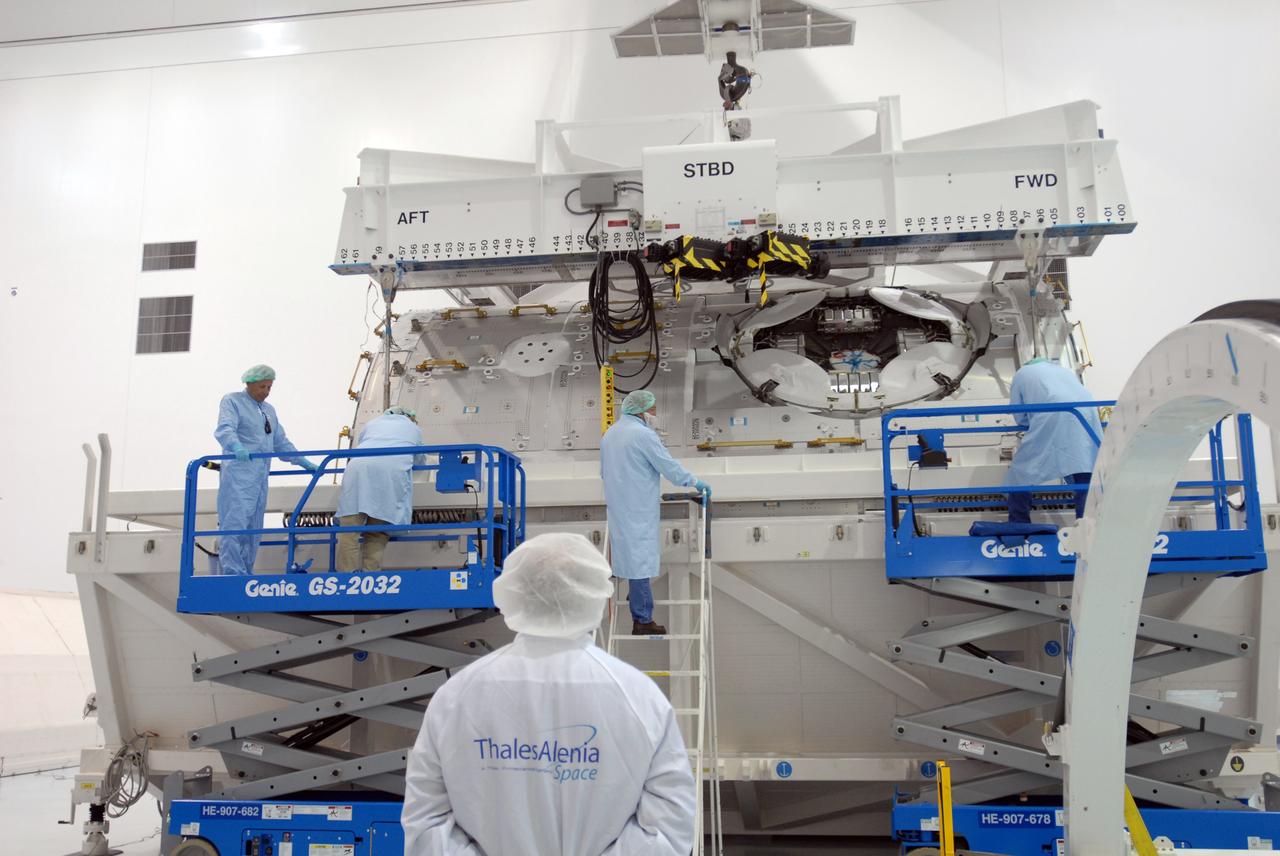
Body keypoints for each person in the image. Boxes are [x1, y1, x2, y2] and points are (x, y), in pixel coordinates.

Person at [401, 532, 697, 856]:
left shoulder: (457, 695)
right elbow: (670, 829)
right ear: (595, 595)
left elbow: (425, 823)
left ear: (513, 594)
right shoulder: (639, 698)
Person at [600, 389, 710, 635]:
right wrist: (695, 481)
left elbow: (603, 472)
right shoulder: (643, 434)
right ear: (641, 411)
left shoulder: (610, 435)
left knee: (628, 554)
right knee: (640, 559)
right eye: (653, 410)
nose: (654, 414)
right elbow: (667, 466)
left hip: (618, 505)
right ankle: (642, 619)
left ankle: (633, 597)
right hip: (638, 505)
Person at [213, 364, 316, 575]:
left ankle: (246, 571)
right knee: (235, 524)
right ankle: (233, 573)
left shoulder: (269, 410)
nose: (266, 392)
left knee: (254, 529)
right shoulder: (232, 401)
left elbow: (280, 442)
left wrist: (302, 461)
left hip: (260, 477)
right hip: (239, 474)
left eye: (269, 387)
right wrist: (236, 447)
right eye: (262, 387)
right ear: (249, 384)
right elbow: (225, 429)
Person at [1005, 358, 1103, 523]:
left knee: (1021, 471)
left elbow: (1019, 415)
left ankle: (1019, 524)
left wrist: (1030, 424)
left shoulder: (1022, 374)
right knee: (1084, 467)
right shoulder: (1065, 371)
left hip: (1054, 414)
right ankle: (1087, 523)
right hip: (1086, 414)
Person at [334, 406, 424, 572]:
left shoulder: (372, 423)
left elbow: (363, 443)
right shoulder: (413, 428)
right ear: (410, 418)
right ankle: (371, 575)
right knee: (377, 531)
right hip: (389, 474)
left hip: (358, 469)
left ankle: (346, 578)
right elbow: (419, 459)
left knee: (349, 532)